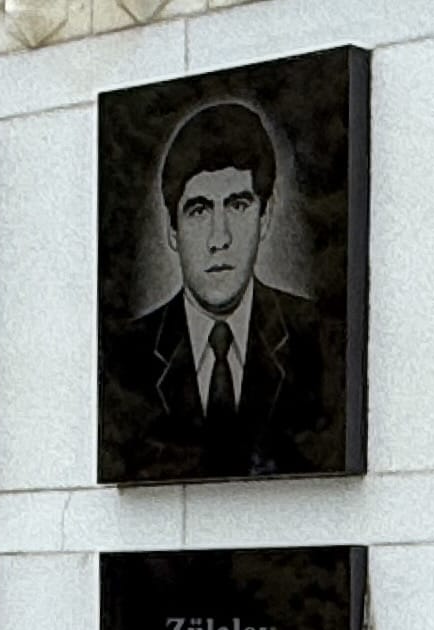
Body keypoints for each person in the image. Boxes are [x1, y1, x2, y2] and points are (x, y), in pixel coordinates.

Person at [103, 99, 340, 478]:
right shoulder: (125, 355)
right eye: (199, 210)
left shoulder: (317, 340)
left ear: (265, 216)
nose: (220, 237)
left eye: (238, 205)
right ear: (172, 229)